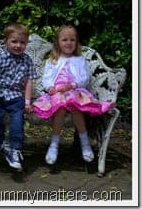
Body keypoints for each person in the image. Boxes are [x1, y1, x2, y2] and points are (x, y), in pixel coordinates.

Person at [32, 25, 114, 165]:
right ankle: (54, 144)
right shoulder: (52, 60)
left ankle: (85, 143)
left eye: (72, 40)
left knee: (75, 106)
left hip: (75, 91)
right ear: (57, 42)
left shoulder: (80, 60)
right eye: (64, 40)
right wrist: (50, 87)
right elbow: (47, 78)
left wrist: (72, 85)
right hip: (57, 93)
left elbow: (84, 77)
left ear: (76, 42)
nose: (69, 43)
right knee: (60, 107)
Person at [0, 22, 36, 171]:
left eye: (22, 42)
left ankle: (15, 150)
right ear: (6, 42)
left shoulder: (27, 60)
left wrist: (27, 102)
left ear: (26, 44)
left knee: (17, 119)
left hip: (15, 96)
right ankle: (3, 145)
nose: (18, 45)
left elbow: (29, 82)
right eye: (14, 41)